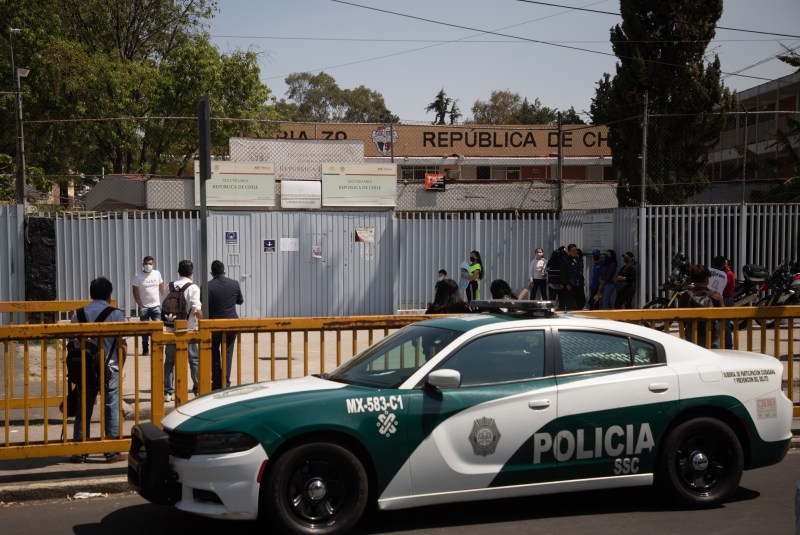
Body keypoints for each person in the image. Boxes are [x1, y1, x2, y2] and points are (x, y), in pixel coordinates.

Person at [70, 277, 127, 464]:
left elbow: (73, 343)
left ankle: (79, 449)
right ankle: (111, 451)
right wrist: (120, 366)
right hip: (109, 367)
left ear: (91, 294)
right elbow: (123, 346)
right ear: (109, 295)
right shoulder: (116, 314)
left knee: (83, 406)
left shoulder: (77, 314)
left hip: (85, 367)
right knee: (111, 406)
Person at [164, 260, 203, 401]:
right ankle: (198, 389)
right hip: (188, 329)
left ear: (178, 271)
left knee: (169, 361)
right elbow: (196, 309)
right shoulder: (193, 288)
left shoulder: (169, 286)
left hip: (170, 329)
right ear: (191, 273)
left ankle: (168, 392)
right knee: (194, 360)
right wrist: (203, 320)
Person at [207, 260, 244, 391]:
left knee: (214, 353)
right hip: (231, 325)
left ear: (211, 273)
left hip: (213, 326)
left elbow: (203, 306)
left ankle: (216, 382)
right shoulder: (234, 284)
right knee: (228, 352)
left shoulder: (206, 286)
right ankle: (226, 382)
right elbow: (240, 301)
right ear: (224, 272)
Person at [678, 263, 724, 348]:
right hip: (713, 338)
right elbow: (723, 318)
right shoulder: (716, 296)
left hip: (691, 339)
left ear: (692, 279)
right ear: (707, 279)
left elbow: (681, 320)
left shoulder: (684, 297)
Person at [131, 255, 164, 356]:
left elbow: (161, 288)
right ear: (143, 264)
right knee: (144, 331)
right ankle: (145, 349)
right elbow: (135, 292)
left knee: (158, 329)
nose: (148, 265)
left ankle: (158, 348)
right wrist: (140, 305)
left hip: (156, 306)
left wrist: (165, 301)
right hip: (144, 307)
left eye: (150, 264)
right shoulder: (138, 275)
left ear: (153, 264)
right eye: (146, 264)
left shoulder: (157, 273)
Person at [713, 255, 736, 349]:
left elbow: (721, 287)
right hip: (718, 298)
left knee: (725, 325)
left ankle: (728, 346)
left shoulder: (728, 275)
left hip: (726, 299)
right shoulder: (720, 273)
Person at [563, 244, 585, 311]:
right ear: (569, 252)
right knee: (571, 304)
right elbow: (563, 274)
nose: (575, 252)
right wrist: (566, 284)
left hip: (579, 285)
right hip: (570, 285)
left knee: (582, 302)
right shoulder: (565, 260)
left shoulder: (578, 260)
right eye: (573, 251)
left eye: (576, 250)